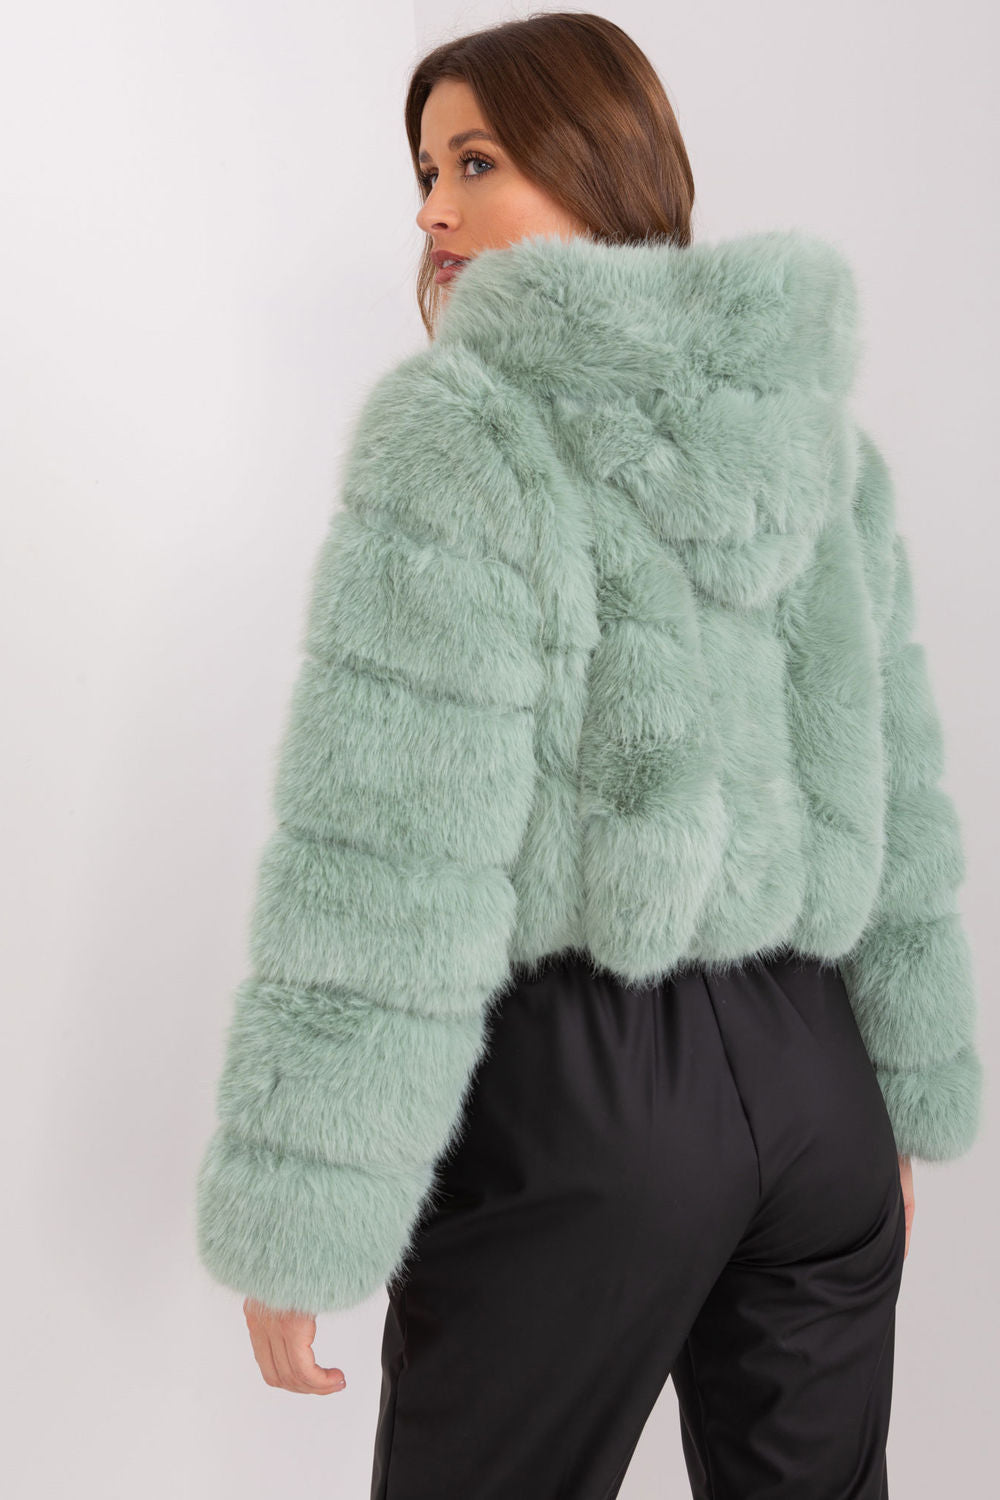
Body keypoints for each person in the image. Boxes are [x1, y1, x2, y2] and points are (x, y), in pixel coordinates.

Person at [194, 13, 983, 1498]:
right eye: (426, 170)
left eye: (474, 162)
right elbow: (894, 791)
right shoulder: (817, 439)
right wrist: (893, 1089)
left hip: (588, 1097)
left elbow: (396, 855)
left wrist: (302, 1214)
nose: (432, 211)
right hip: (818, 1078)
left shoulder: (463, 435)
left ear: (597, 163)